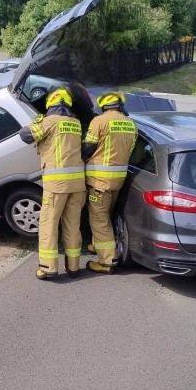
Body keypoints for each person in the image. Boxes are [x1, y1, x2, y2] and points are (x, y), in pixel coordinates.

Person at [19, 88, 86, 280]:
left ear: (51, 103)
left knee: (49, 224)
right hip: (77, 185)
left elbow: (25, 135)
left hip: (57, 186)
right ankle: (73, 267)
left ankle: (48, 267)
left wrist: (38, 120)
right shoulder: (76, 123)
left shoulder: (49, 121)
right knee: (72, 226)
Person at [82, 92, 137, 274]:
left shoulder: (99, 121)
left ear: (103, 106)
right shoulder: (130, 124)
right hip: (118, 181)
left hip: (100, 182)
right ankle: (99, 245)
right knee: (106, 215)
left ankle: (107, 261)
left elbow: (88, 148)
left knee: (99, 219)